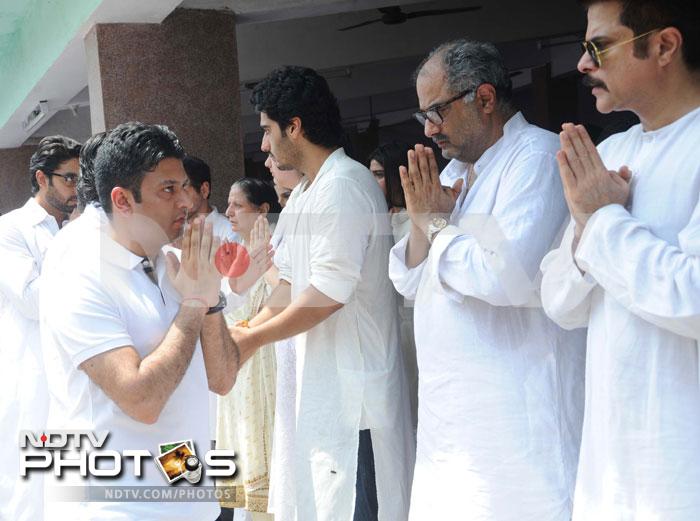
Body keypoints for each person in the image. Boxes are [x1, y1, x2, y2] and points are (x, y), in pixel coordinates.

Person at [388, 39, 586, 520]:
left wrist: (436, 226)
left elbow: (506, 274)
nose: (430, 129)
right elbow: (410, 282)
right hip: (451, 421)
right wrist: (423, 223)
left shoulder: (535, 157)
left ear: (484, 99)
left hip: (515, 420)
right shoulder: (457, 174)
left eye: (437, 112)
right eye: (423, 117)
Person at [230, 65, 414, 521]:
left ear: (294, 126)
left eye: (268, 131)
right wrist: (245, 327)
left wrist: (251, 341)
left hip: (358, 404)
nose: (264, 145)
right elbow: (290, 285)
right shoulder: (311, 191)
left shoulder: (345, 187)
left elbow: (326, 295)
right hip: (325, 391)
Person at [540, 1, 700, 519]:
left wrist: (603, 222)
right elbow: (558, 301)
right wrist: (590, 224)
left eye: (599, 46)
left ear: (663, 45)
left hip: (680, 464)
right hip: (610, 459)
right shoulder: (611, 151)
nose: (583, 64)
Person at [40, 122, 239, 520]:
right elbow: (142, 400)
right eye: (167, 190)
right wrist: (195, 301)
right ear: (123, 200)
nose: (186, 201)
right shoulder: (80, 271)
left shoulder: (170, 262)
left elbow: (222, 377)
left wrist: (209, 295)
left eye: (185, 186)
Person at [0, 135, 80, 521]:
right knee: (25, 486)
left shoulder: (75, 229)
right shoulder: (12, 229)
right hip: (28, 376)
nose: (76, 189)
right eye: (68, 179)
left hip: (71, 376)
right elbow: (31, 300)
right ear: (41, 179)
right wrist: (72, 248)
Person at [217, 178, 281, 520]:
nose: (228, 212)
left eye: (237, 205)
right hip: (237, 375)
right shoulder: (230, 254)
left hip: (267, 369)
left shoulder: (279, 253)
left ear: (263, 211)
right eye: (228, 205)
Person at [184, 154, 240, 242]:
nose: (176, 199)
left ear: (204, 190)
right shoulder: (170, 234)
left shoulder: (229, 233)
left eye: (183, 190)